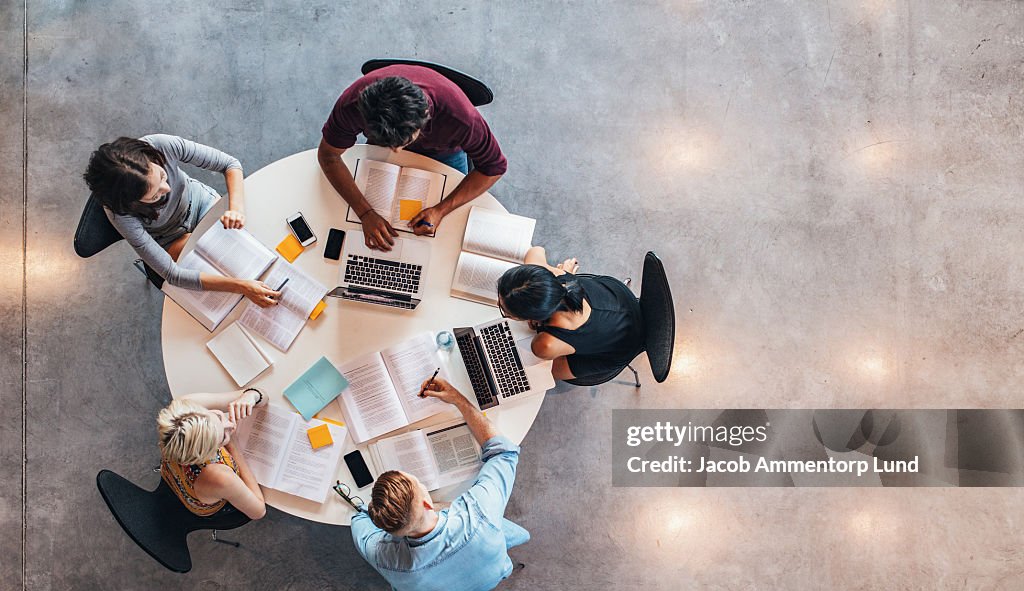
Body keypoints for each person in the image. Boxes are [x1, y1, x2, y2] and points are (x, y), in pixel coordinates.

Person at [350, 377, 529, 591]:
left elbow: (358, 521)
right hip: (493, 573)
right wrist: (458, 399)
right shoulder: (478, 515)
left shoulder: (383, 556)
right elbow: (504, 453)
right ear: (426, 502)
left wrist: (371, 510)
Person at [318, 64, 508, 251]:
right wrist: (365, 213)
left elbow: (494, 168)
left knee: (447, 234)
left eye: (403, 142)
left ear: (425, 117)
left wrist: (441, 210)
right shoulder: (352, 104)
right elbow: (328, 156)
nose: (397, 153)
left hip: (445, 153)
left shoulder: (461, 119)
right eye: (390, 144)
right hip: (384, 147)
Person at [83, 134, 281, 307]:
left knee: (253, 241)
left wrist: (236, 209)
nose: (167, 189)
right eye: (154, 196)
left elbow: (230, 164)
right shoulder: (120, 214)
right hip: (169, 238)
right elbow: (173, 274)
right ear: (131, 203)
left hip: (200, 204)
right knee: (223, 270)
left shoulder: (160, 145)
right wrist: (241, 287)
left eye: (162, 175)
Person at [497, 246, 645, 382]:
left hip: (621, 348)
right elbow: (536, 251)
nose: (498, 305)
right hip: (620, 299)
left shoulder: (543, 345)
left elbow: (546, 356)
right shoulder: (558, 276)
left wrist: (541, 328)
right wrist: (561, 273)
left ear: (531, 317)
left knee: (542, 373)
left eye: (505, 311)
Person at [157, 388, 267, 520]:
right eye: (222, 438)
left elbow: (261, 395)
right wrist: (233, 445)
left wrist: (251, 396)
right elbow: (259, 511)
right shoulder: (220, 476)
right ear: (207, 455)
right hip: (205, 503)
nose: (230, 425)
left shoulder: (186, 406)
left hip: (173, 472)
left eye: (218, 416)